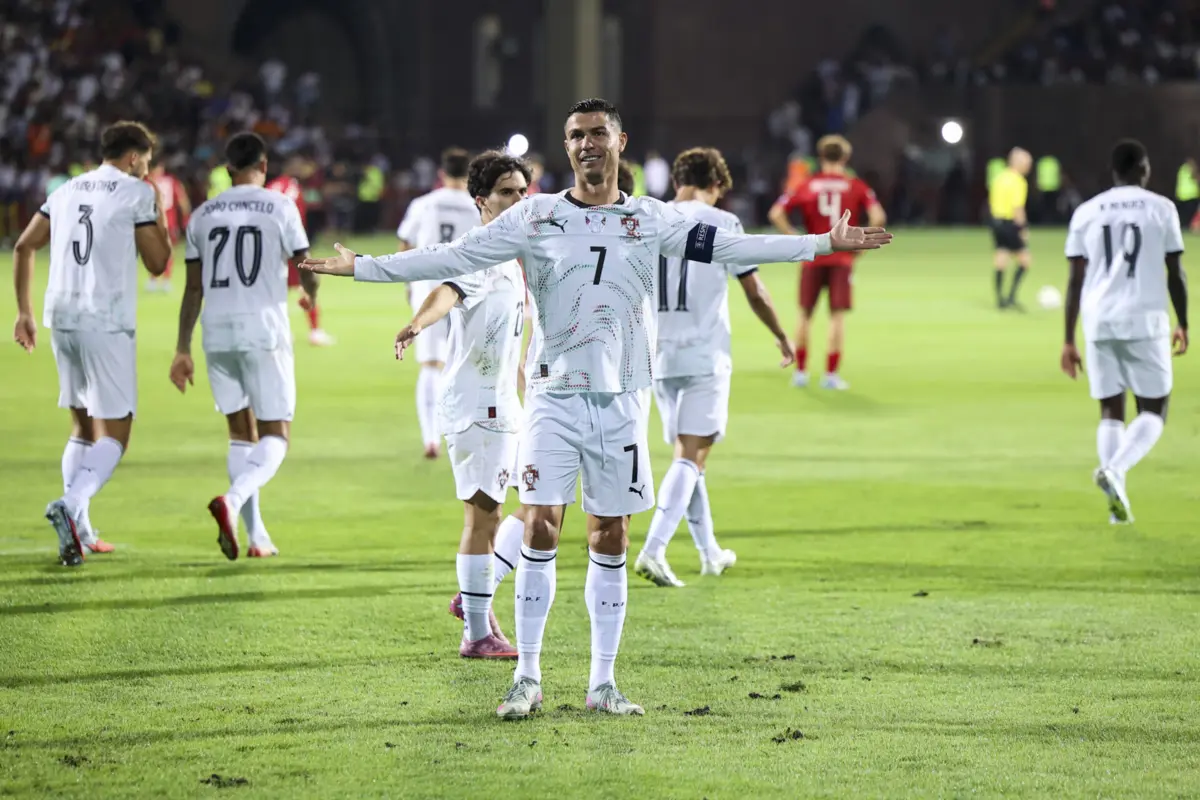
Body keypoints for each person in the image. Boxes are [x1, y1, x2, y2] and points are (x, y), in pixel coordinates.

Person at [300, 98, 891, 719]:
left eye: (597, 134)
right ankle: (526, 676)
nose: (586, 144)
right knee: (539, 526)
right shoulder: (536, 216)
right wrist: (363, 267)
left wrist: (823, 241)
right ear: (568, 146)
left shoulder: (651, 218)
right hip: (554, 397)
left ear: (619, 141)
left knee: (610, 537)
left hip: (622, 401)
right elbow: (452, 258)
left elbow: (733, 247)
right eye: (576, 135)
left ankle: (602, 683)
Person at [12, 121, 172, 566]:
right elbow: (159, 263)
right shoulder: (136, 192)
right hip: (105, 321)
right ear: (135, 157)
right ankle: (72, 502)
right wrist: (158, 213)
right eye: (147, 163)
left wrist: (24, 312)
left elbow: (24, 247)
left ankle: (79, 530)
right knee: (115, 435)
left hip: (61, 318)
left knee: (82, 428)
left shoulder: (65, 191)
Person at [393, 151, 532, 659]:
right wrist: (417, 324)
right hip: (478, 406)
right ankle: (476, 632)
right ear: (482, 201)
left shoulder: (512, 253)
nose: (518, 200)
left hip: (503, 403)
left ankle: (475, 596)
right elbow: (446, 291)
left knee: (540, 505)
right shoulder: (481, 251)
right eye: (506, 193)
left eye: (522, 191)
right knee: (483, 517)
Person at [635, 147, 793, 587]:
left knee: (688, 459)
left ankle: (709, 553)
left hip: (658, 356)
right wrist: (780, 334)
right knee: (691, 456)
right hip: (704, 354)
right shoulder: (722, 223)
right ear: (718, 185)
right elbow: (755, 289)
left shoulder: (651, 218)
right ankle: (654, 549)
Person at [169, 132, 315, 560]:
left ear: (228, 170)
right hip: (263, 330)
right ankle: (231, 502)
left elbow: (192, 289)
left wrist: (182, 348)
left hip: (216, 333)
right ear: (264, 166)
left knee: (239, 435)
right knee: (276, 436)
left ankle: (256, 537)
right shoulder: (280, 205)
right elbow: (305, 264)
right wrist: (312, 296)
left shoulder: (202, 214)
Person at [1061, 139, 1188, 524]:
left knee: (1110, 410)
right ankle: (1115, 471)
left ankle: (1118, 508)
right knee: (1155, 410)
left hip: (1099, 320)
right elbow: (1174, 272)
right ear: (1144, 169)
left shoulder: (1087, 211)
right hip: (1145, 319)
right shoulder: (1162, 209)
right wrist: (1184, 321)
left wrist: (1068, 338)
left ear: (1113, 171)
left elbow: (1075, 280)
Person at [768, 135, 885, 390]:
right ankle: (830, 375)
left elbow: (776, 212)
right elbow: (878, 214)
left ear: (820, 157)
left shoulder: (807, 184)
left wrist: (795, 239)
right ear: (845, 158)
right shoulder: (855, 185)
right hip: (842, 258)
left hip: (812, 256)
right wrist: (860, 247)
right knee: (836, 317)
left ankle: (800, 372)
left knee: (805, 315)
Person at [395, 148, 480, 459]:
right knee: (466, 363)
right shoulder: (476, 205)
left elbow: (405, 242)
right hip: (469, 289)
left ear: (441, 174)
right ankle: (460, 429)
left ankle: (431, 437)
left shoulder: (424, 204)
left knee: (431, 365)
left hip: (428, 289)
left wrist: (408, 284)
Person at [267, 155, 334, 346]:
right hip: (290, 245)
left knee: (275, 289)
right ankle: (315, 332)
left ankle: (277, 331)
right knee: (306, 285)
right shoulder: (291, 187)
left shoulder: (273, 185)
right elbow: (286, 214)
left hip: (272, 245)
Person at [989, 147, 1033, 310]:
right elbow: (1017, 208)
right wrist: (1022, 228)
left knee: (1001, 256)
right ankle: (1011, 297)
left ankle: (1000, 299)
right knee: (1025, 261)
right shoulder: (1018, 181)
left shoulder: (999, 178)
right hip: (1010, 223)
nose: (1029, 166)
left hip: (996, 222)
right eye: (1027, 163)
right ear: (1018, 163)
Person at [147, 157, 192, 293]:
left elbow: (182, 199)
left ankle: (161, 280)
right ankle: (156, 279)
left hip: (164, 222)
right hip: (158, 221)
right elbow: (183, 200)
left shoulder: (166, 181)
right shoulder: (152, 182)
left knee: (163, 251)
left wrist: (186, 216)